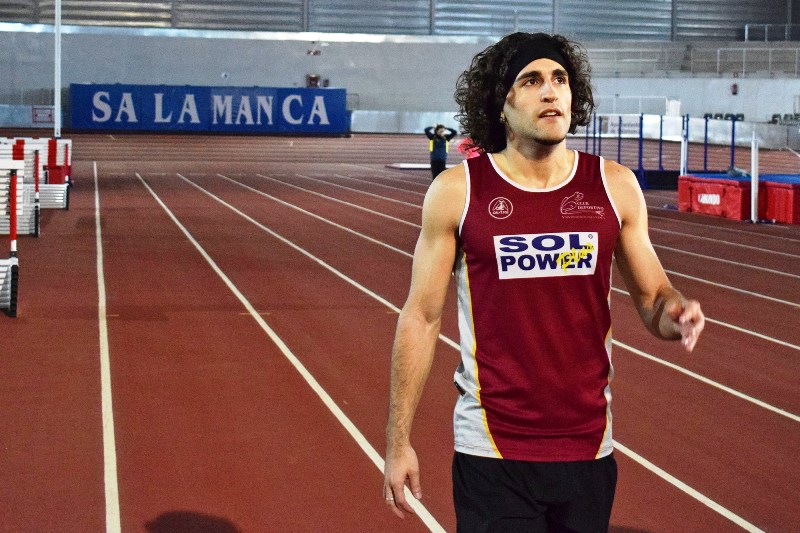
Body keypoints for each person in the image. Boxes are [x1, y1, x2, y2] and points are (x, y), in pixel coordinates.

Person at [384, 32, 705, 532]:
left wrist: (676, 312)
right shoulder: (457, 193)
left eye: (559, 79)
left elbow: (653, 298)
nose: (551, 92)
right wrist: (397, 441)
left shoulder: (614, 186)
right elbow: (422, 318)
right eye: (531, 81)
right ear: (501, 103)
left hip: (589, 446)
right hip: (492, 449)